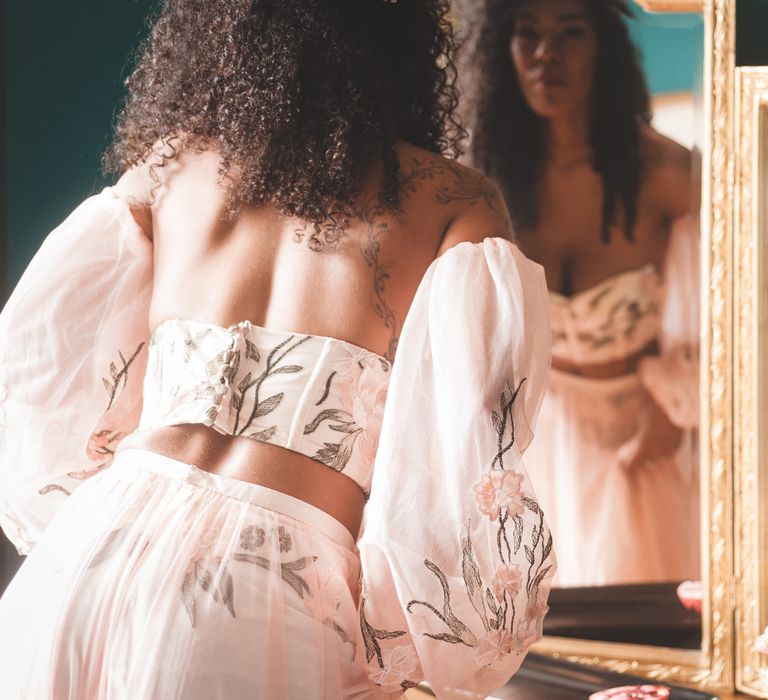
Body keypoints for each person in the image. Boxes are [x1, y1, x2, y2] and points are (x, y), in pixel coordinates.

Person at [0, 0, 555, 697]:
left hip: (83, 560)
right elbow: (463, 470)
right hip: (262, 593)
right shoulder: (453, 203)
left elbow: (36, 364)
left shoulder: (170, 166)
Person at [468, 0, 700, 587]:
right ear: (505, 52)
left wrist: (676, 407)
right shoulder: (483, 184)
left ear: (605, 50)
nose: (548, 53)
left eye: (570, 33)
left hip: (640, 443)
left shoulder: (667, 175)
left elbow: (737, 311)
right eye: (529, 35)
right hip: (527, 448)